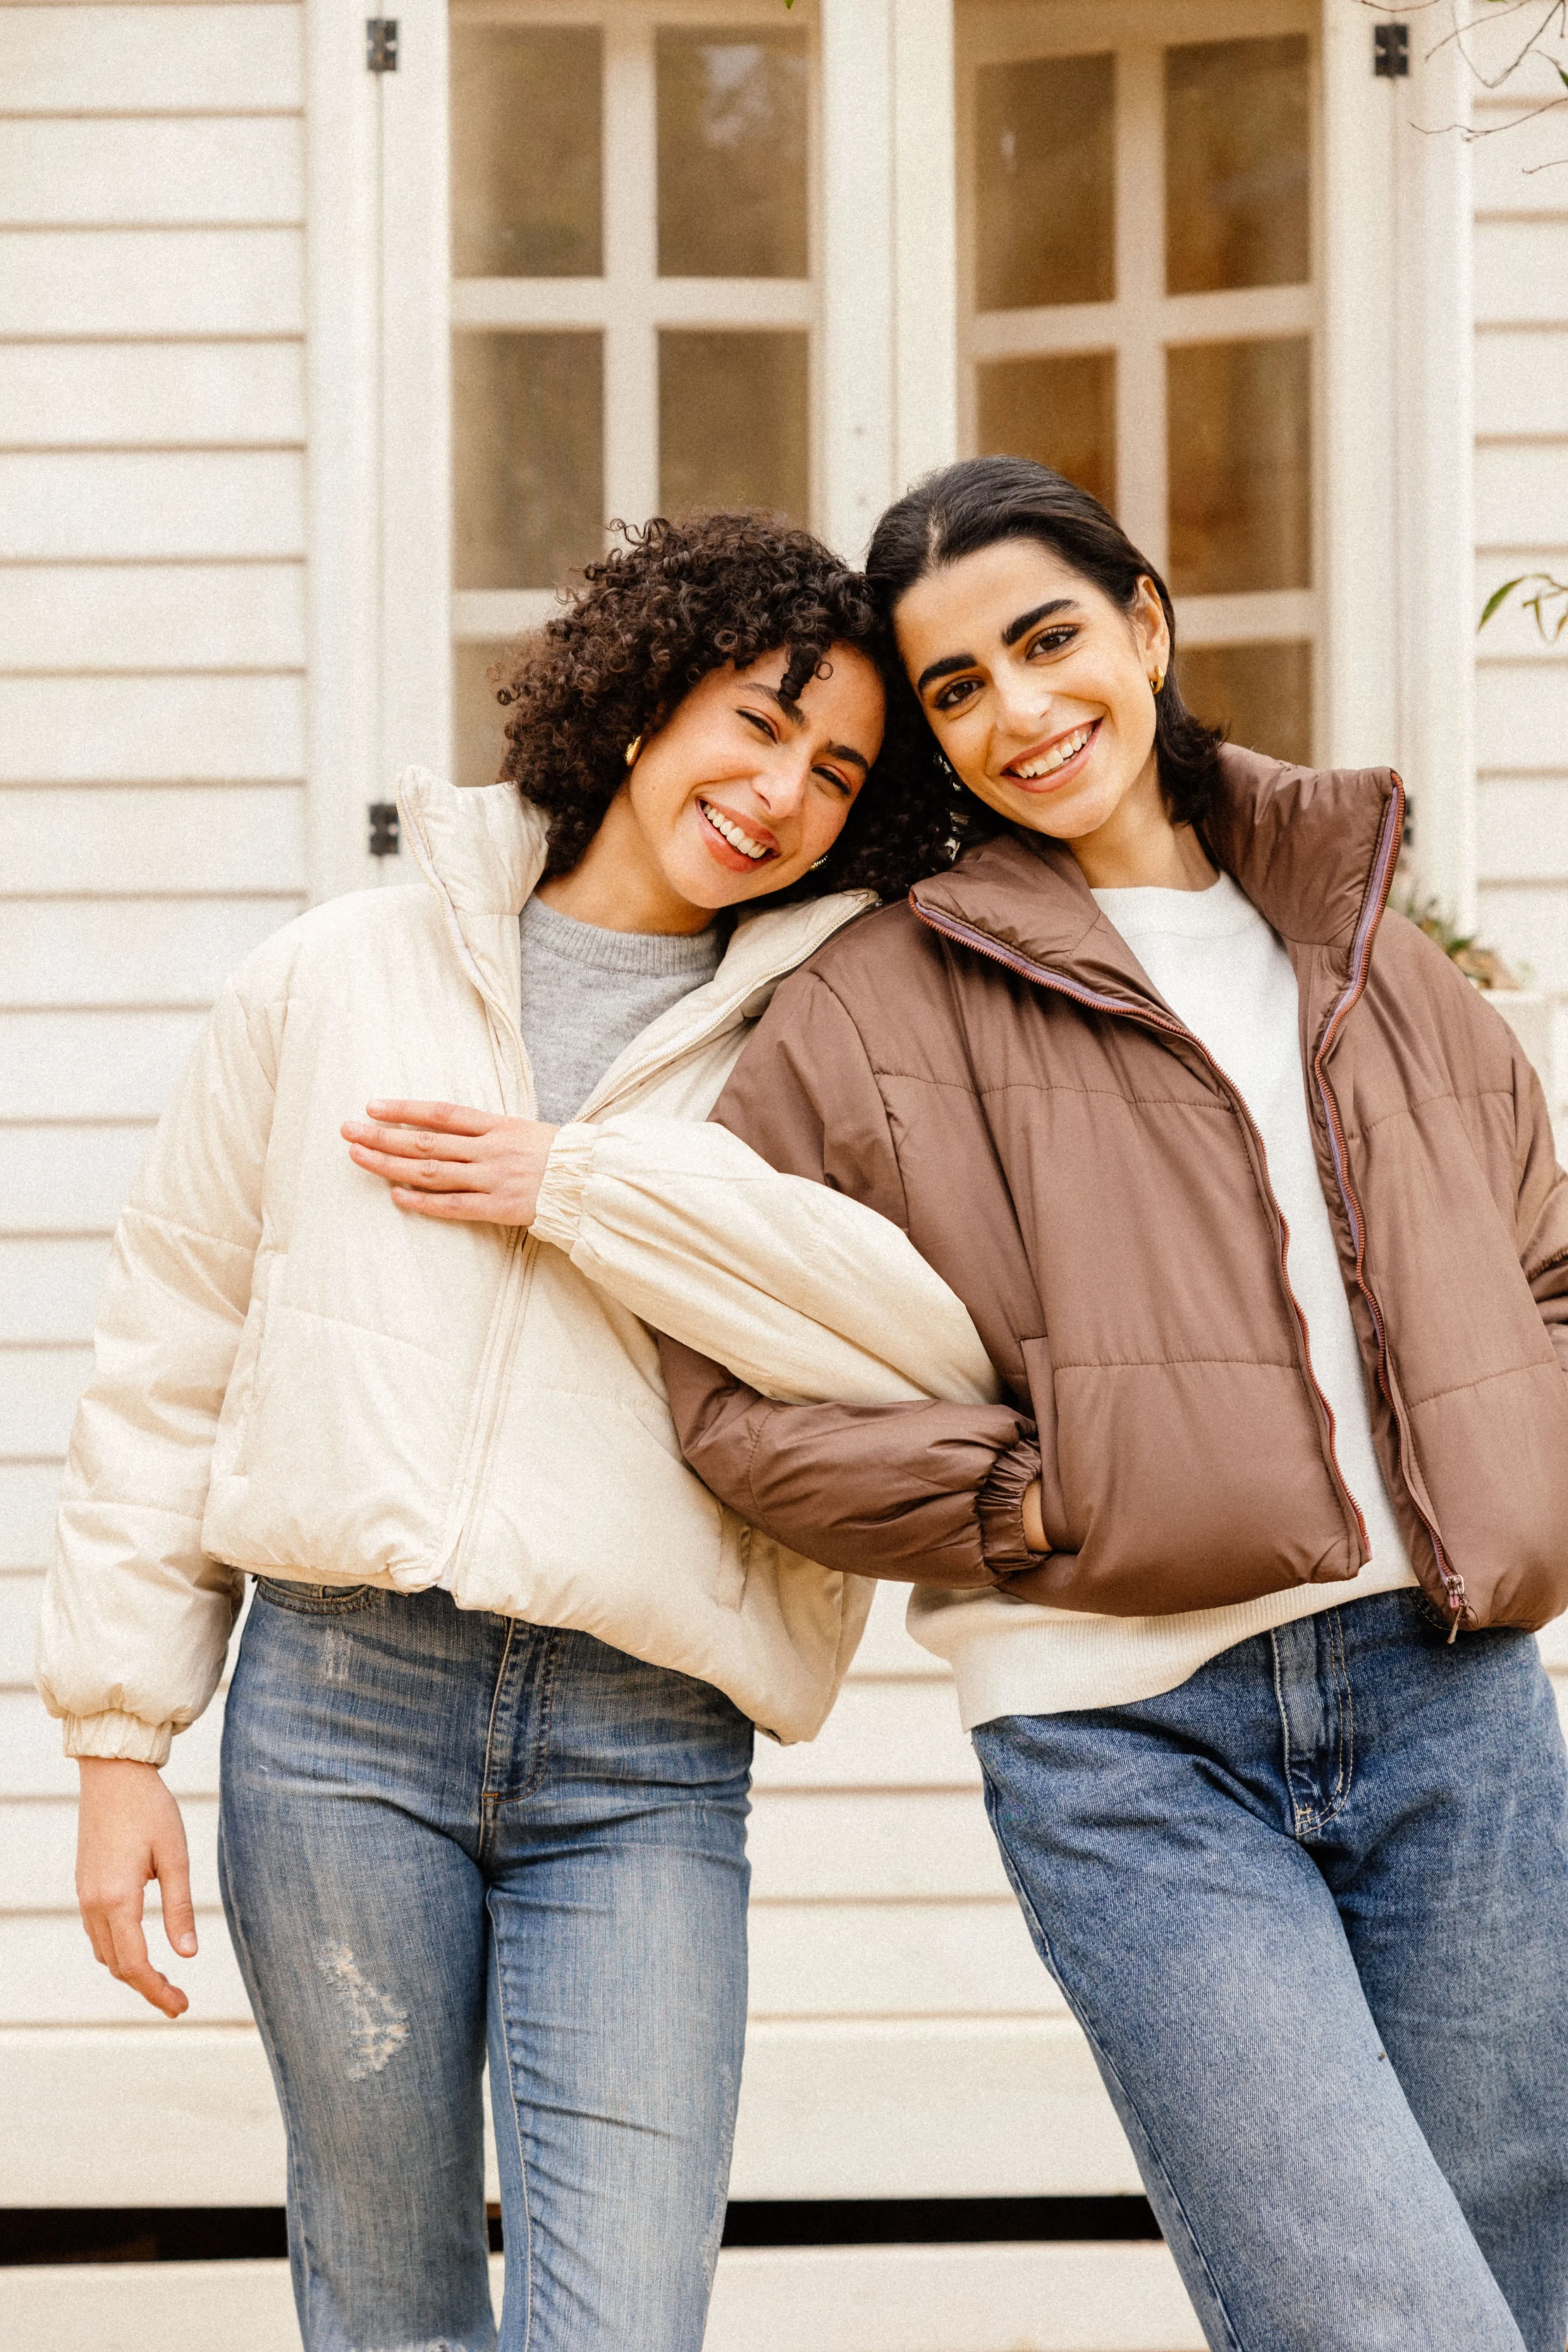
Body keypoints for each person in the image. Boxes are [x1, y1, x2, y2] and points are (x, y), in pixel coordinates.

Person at [39, 511, 994, 2352]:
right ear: (645, 699)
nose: (781, 791)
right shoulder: (332, 976)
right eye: (756, 719)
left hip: (646, 1752)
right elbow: (168, 1361)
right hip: (339, 1724)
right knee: (387, 2303)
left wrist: (579, 1186)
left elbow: (925, 1344)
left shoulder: (833, 1033)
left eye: (837, 771)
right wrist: (116, 1740)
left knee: (619, 2320)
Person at [650, 459, 1568, 2352]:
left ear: (1146, 625)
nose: (1018, 710)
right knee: (1380, 2317)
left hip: (1454, 1701)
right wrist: (1024, 1507)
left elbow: (1541, 1266)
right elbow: (728, 1372)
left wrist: (1517, 1478)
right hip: (1127, 1747)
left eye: (1046, 640)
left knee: (1522, 2281)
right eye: (956, 691)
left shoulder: (1372, 953)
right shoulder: (874, 1003)